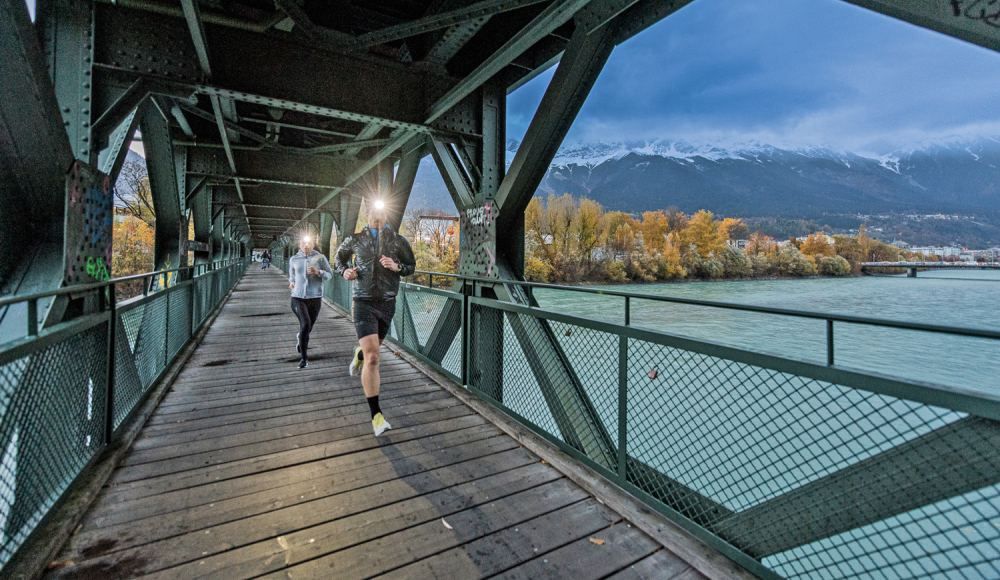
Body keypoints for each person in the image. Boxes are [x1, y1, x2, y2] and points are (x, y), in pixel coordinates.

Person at [334, 200, 416, 436]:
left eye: (382, 213)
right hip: (362, 303)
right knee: (373, 359)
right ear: (367, 214)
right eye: (374, 213)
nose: (378, 217)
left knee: (371, 352)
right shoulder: (355, 239)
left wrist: (396, 266)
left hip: (387, 304)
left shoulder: (398, 240)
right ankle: (377, 417)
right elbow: (339, 259)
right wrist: (345, 271)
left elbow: (411, 266)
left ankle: (358, 353)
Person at [288, 235, 333, 369]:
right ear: (299, 245)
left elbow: (329, 275)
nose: (306, 245)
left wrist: (319, 271)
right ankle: (304, 359)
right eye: (303, 243)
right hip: (297, 297)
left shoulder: (320, 258)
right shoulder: (294, 259)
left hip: (315, 298)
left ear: (313, 244)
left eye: (309, 243)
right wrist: (292, 282)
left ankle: (300, 337)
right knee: (306, 324)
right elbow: (292, 276)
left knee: (307, 327)